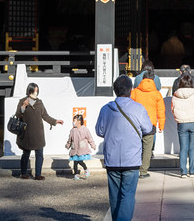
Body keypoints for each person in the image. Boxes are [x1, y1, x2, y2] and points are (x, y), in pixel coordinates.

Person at [96, 75, 154, 221]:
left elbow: (100, 131)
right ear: (130, 90)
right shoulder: (138, 108)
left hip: (112, 159)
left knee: (114, 197)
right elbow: (147, 128)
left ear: (115, 90)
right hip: (131, 159)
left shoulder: (105, 109)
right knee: (127, 195)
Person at [16, 82, 63, 180]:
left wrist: (55, 121)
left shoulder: (39, 102)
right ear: (29, 91)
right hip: (27, 132)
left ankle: (38, 174)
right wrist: (24, 106)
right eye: (34, 91)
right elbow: (18, 115)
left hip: (38, 132)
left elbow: (45, 116)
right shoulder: (22, 101)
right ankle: (23, 173)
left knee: (39, 154)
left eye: (37, 91)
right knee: (26, 154)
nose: (35, 93)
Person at [130, 64, 165, 178]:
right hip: (150, 124)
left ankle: (134, 169)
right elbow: (160, 110)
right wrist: (161, 125)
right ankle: (143, 171)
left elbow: (129, 107)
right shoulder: (157, 94)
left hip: (136, 123)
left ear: (143, 79)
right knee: (147, 149)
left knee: (135, 146)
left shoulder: (135, 92)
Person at [171, 73, 194, 177]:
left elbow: (173, 110)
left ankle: (183, 172)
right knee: (192, 148)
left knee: (183, 148)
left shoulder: (176, 95)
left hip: (181, 124)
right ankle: (192, 170)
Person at [66, 113, 96, 179]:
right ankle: (76, 174)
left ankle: (86, 169)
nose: (73, 122)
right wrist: (68, 145)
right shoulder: (72, 130)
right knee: (75, 162)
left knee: (80, 161)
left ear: (79, 121)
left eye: (75, 120)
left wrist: (93, 145)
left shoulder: (85, 129)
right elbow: (70, 140)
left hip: (81, 149)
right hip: (74, 149)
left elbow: (89, 138)